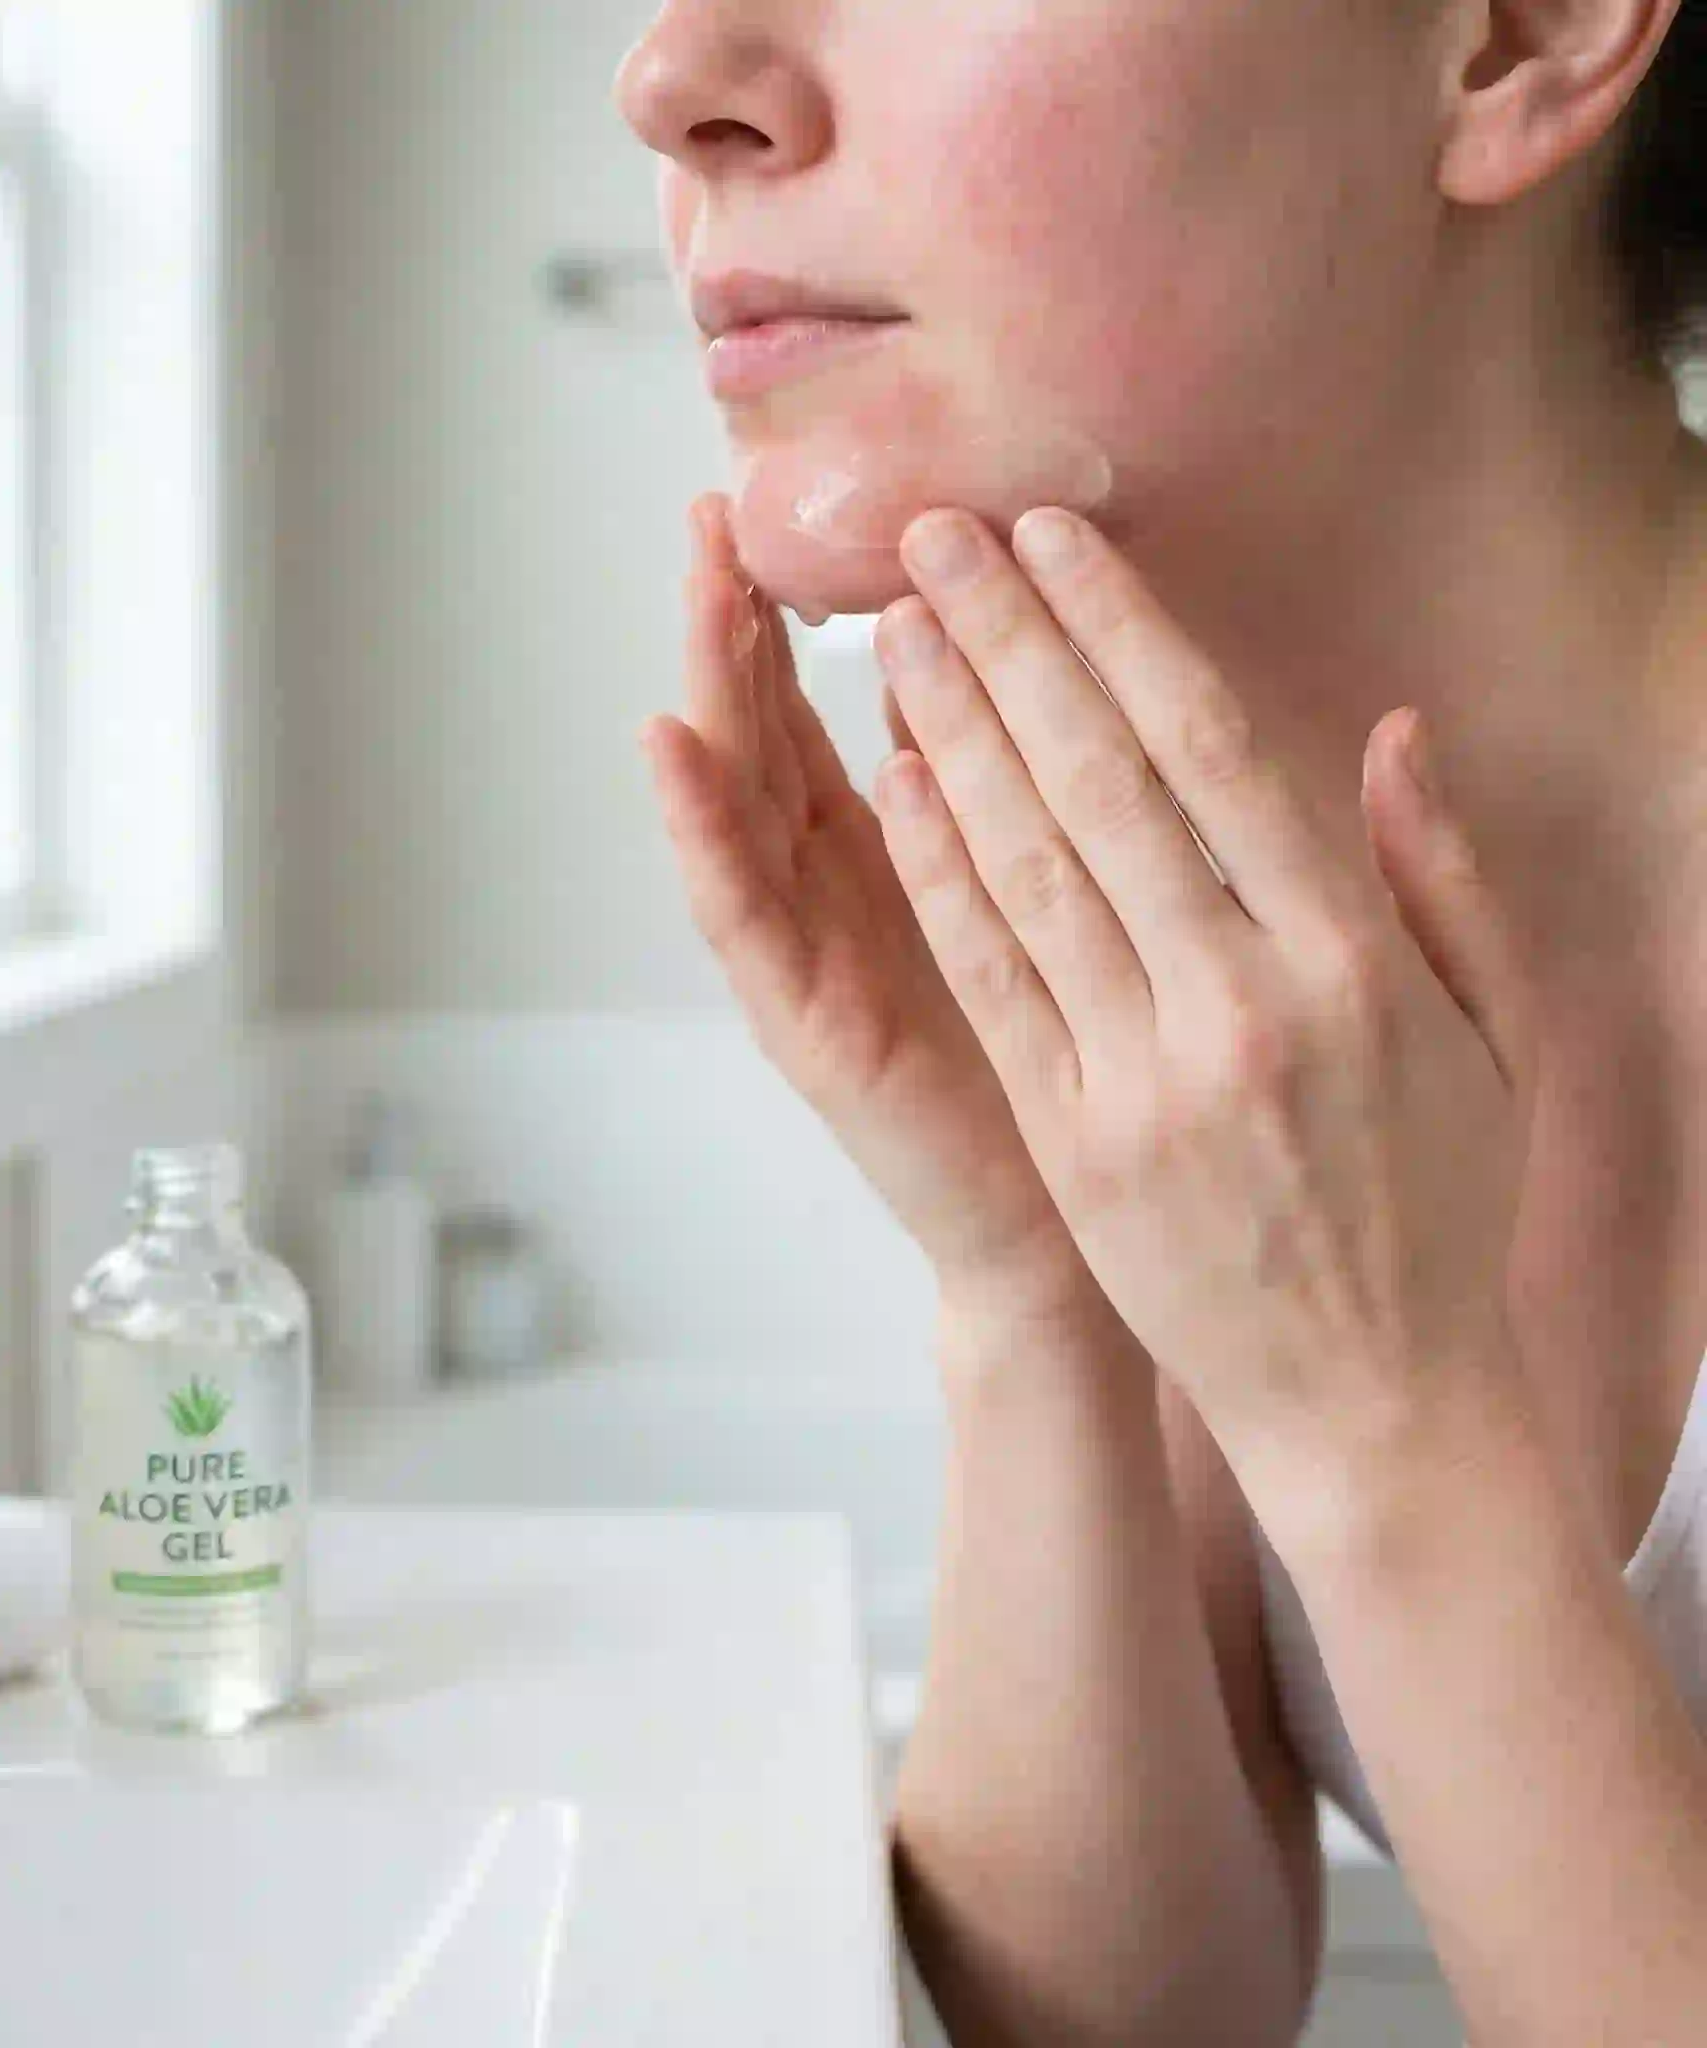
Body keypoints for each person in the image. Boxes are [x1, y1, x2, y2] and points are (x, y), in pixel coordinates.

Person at [615, 1, 1707, 2041]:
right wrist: (1034, 1291)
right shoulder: (1230, 914)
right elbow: (1129, 2021)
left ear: (1518, 36)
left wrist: (1392, 1425)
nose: (673, 76)